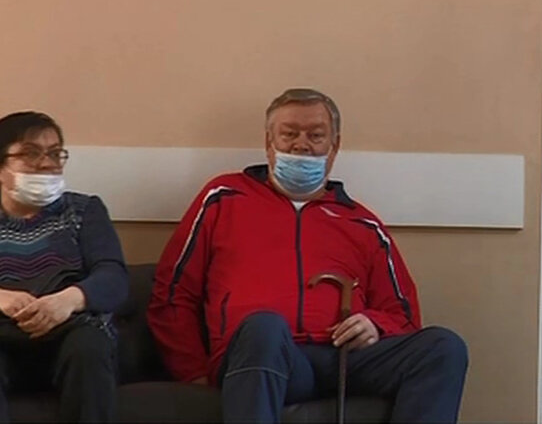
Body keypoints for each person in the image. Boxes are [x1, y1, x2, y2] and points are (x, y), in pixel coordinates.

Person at [147, 88, 469, 423]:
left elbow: (403, 315)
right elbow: (171, 294)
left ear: (334, 146)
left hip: (345, 359)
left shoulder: (363, 224)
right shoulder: (222, 198)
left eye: (315, 136)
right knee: (265, 326)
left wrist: (376, 325)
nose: (301, 145)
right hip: (263, 354)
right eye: (289, 134)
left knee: (443, 348)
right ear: (269, 142)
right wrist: (193, 373)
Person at [0, 111, 129, 423]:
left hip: (70, 337)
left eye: (55, 153)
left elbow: (114, 277)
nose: (46, 164)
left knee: (90, 345)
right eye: (30, 153)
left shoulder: (85, 210)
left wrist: (68, 300)